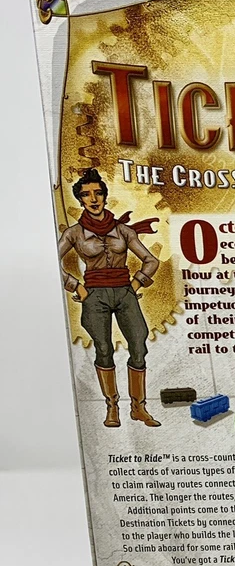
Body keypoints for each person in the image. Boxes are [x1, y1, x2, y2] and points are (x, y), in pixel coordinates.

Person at [57, 168, 160, 428]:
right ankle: (112, 407)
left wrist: (135, 283)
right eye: (86, 194)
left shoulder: (123, 231)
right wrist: (76, 287)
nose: (93, 199)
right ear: (80, 199)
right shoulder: (74, 233)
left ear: (105, 195)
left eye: (98, 193)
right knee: (103, 349)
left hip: (124, 292)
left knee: (139, 345)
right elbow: (51, 260)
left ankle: (138, 407)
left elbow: (150, 260)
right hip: (94, 295)